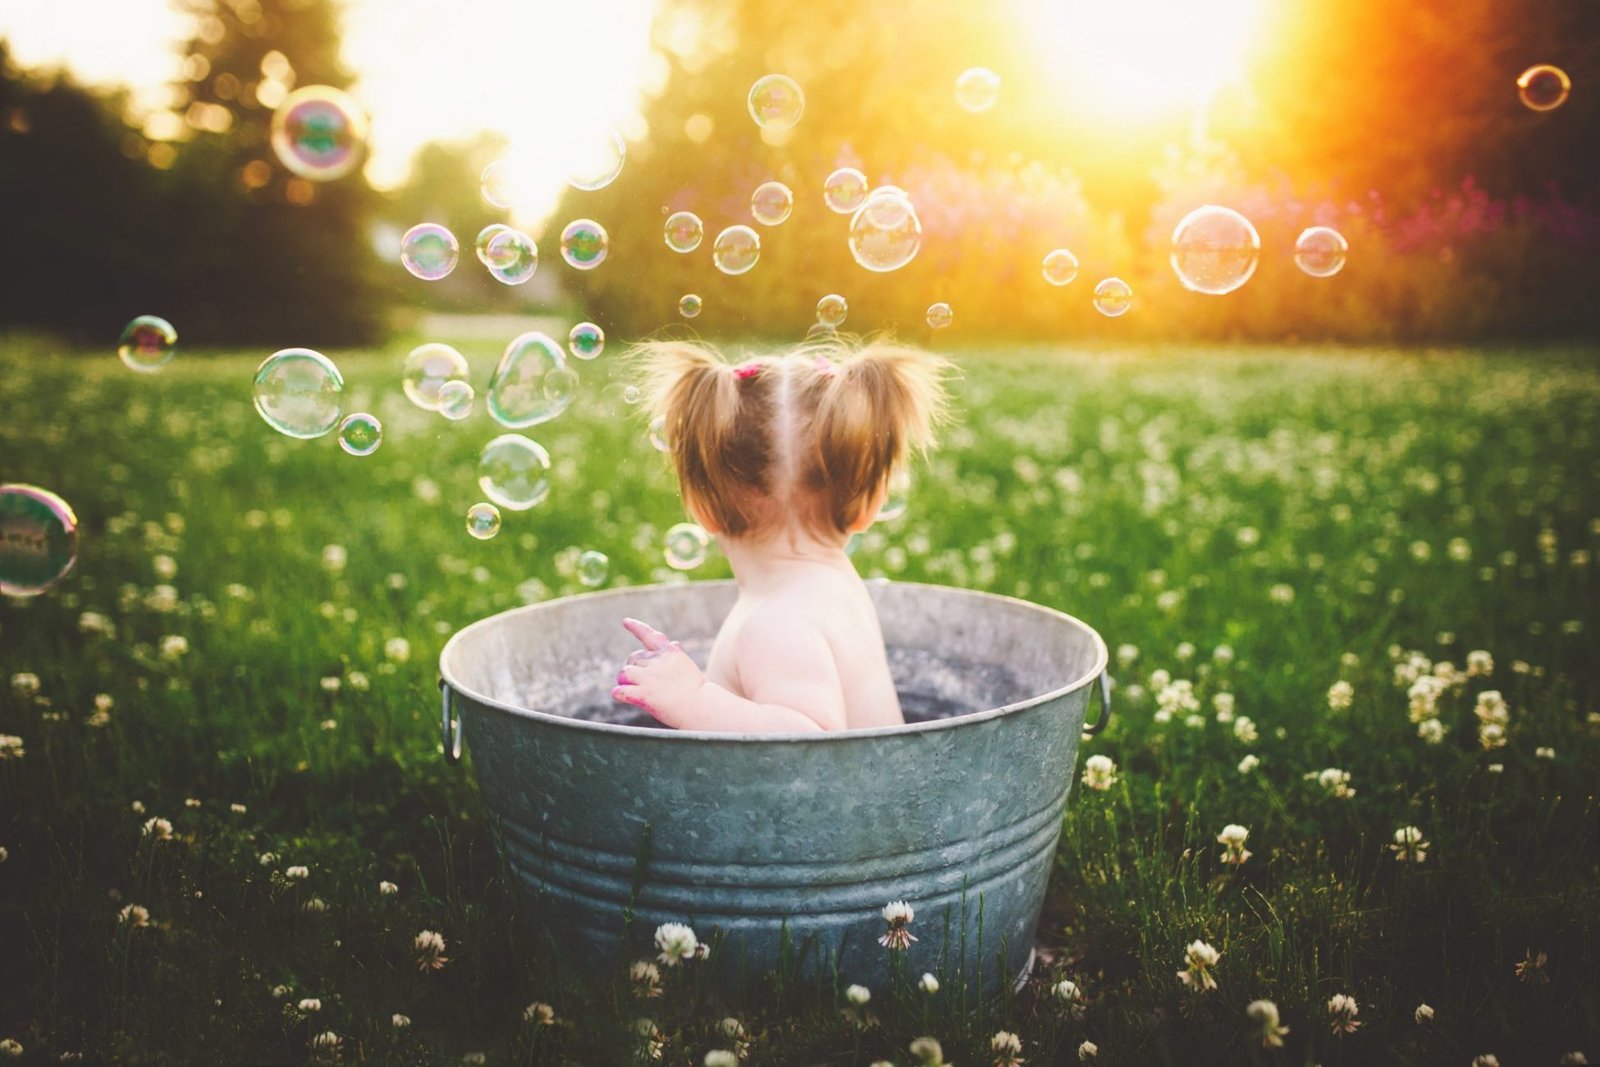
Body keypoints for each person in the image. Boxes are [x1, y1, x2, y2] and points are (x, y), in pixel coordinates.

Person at [611, 336, 951, 732]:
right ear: (871, 503)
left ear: (702, 508)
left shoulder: (775, 623)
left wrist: (695, 700)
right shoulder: (829, 588)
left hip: (838, 797)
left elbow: (808, 745)